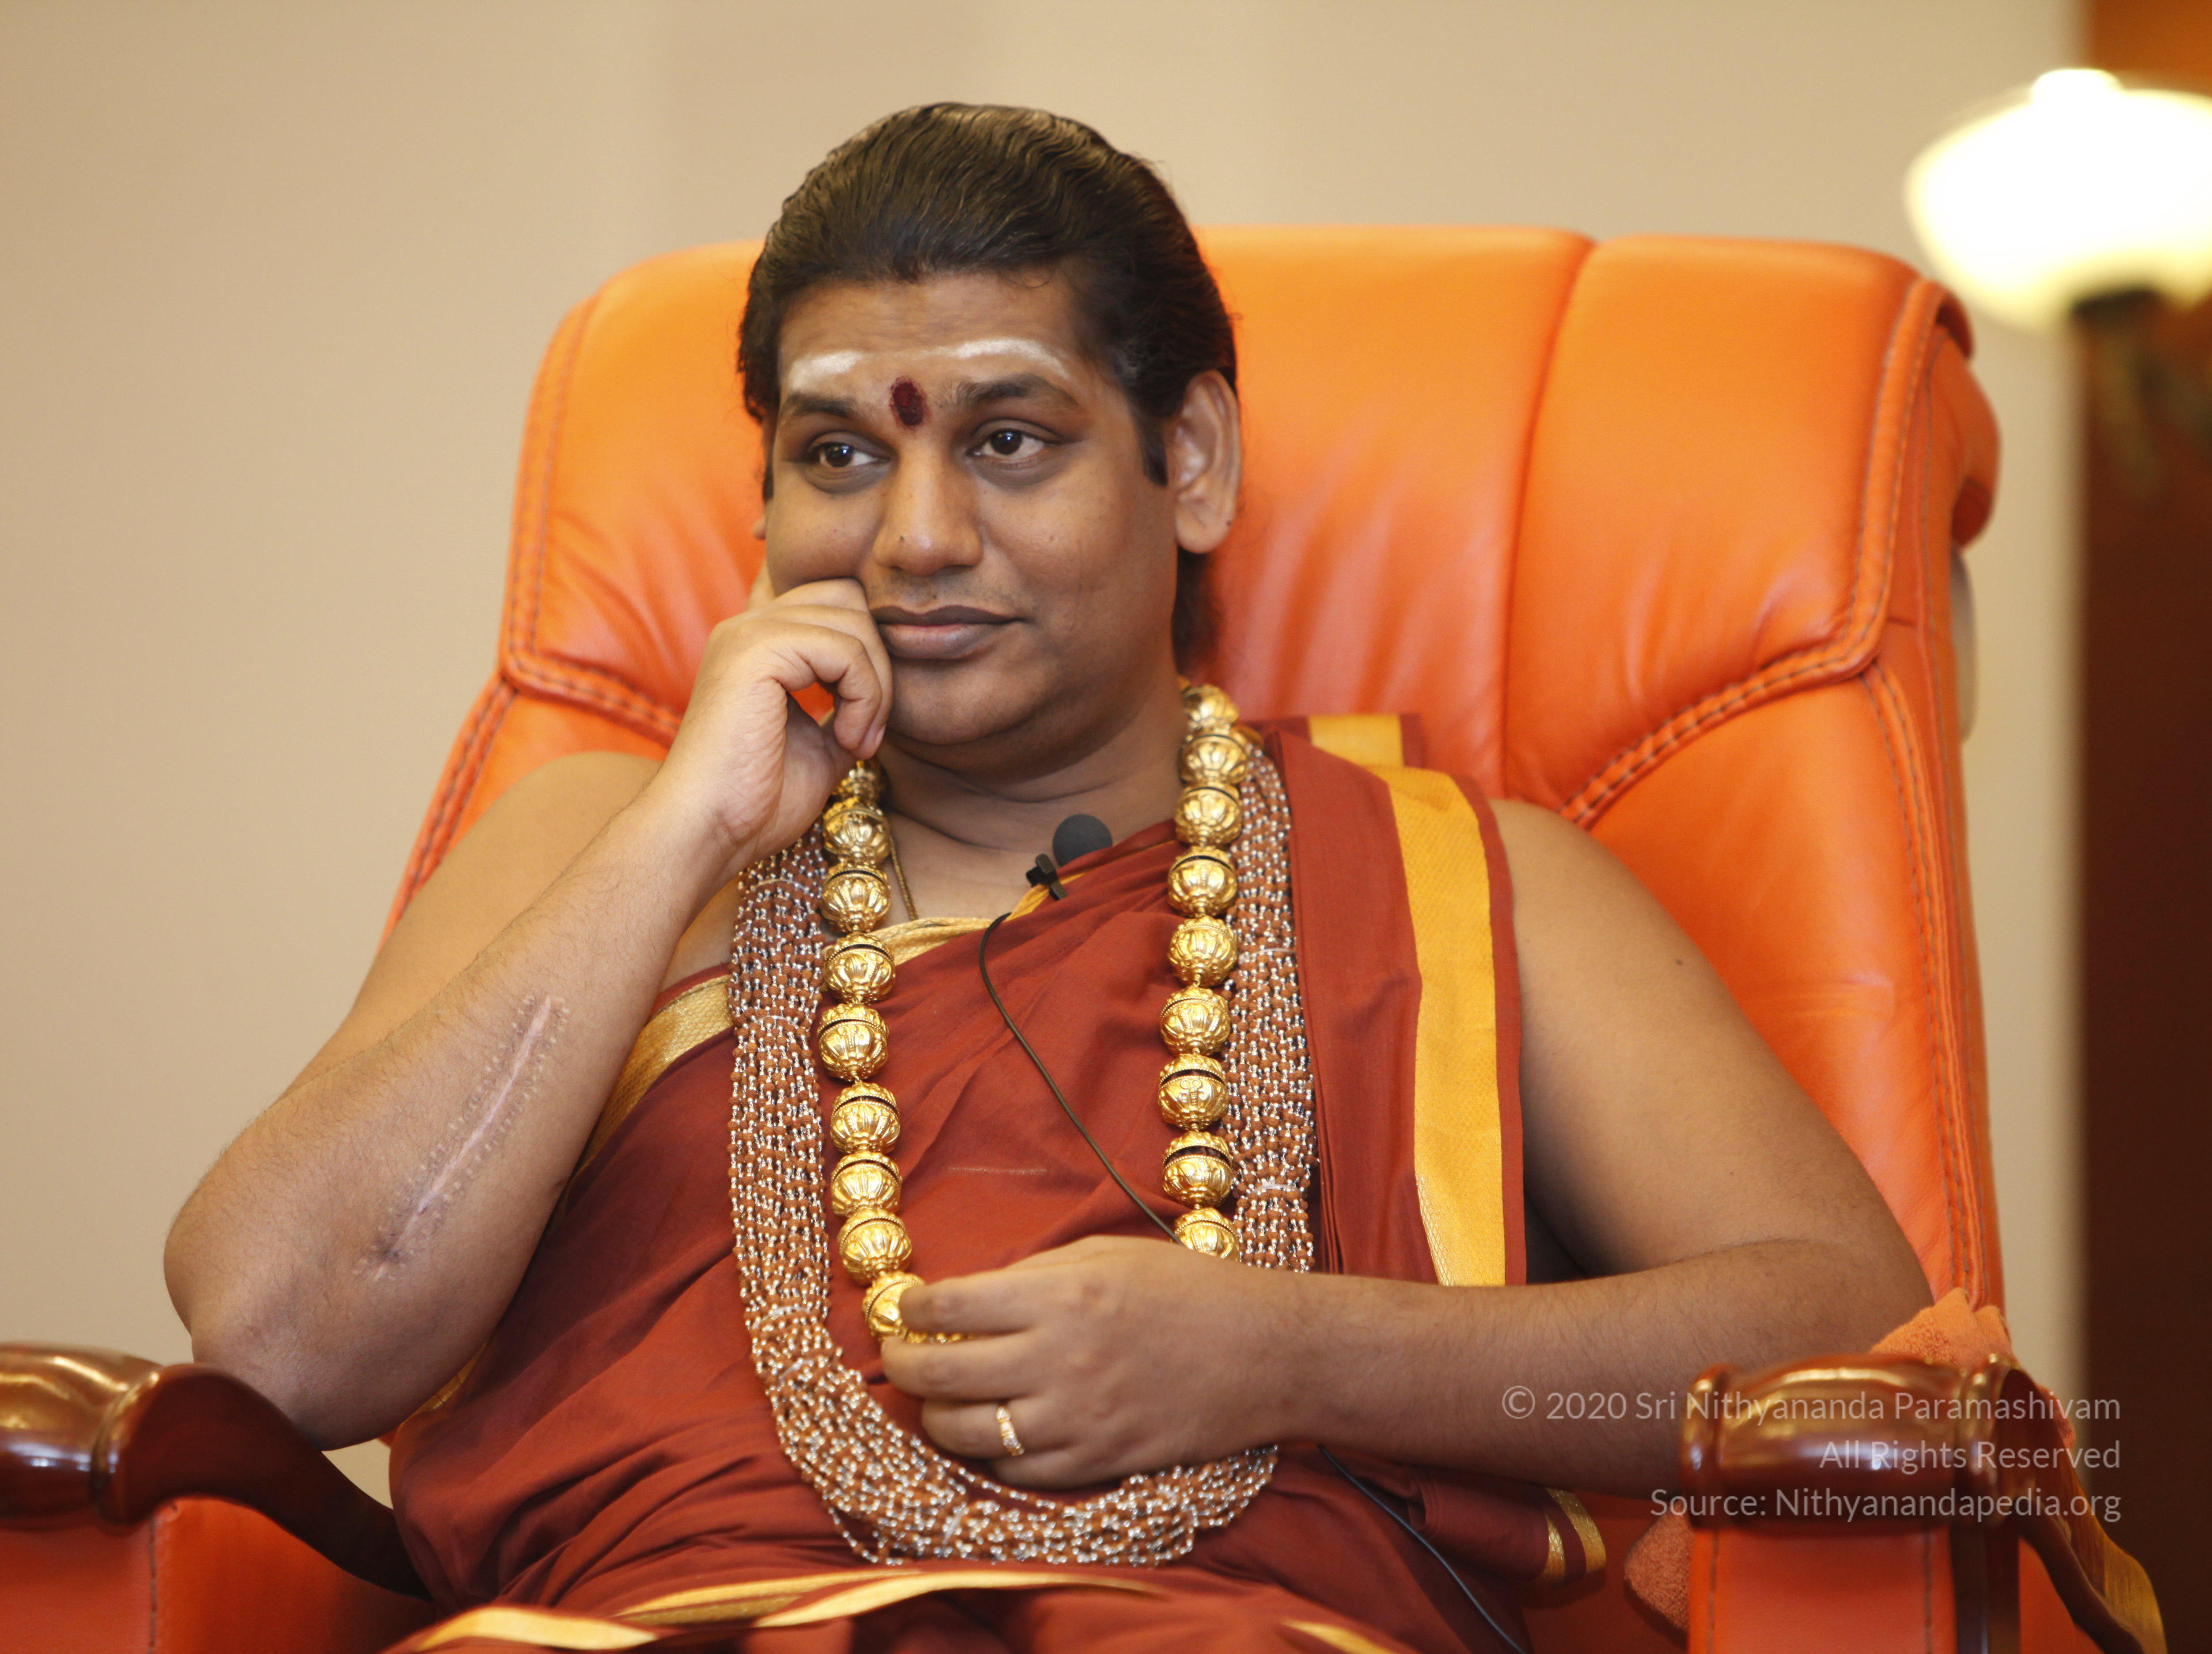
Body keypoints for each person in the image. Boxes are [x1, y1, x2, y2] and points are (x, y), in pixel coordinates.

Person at [164, 105, 1931, 1653]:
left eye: (1010, 438)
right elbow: (282, 1343)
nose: (917, 537)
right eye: (839, 454)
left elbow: (1860, 1338)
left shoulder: (1459, 880)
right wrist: (688, 831)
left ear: (1193, 462)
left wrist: (1294, 1357)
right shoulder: (602, 844)